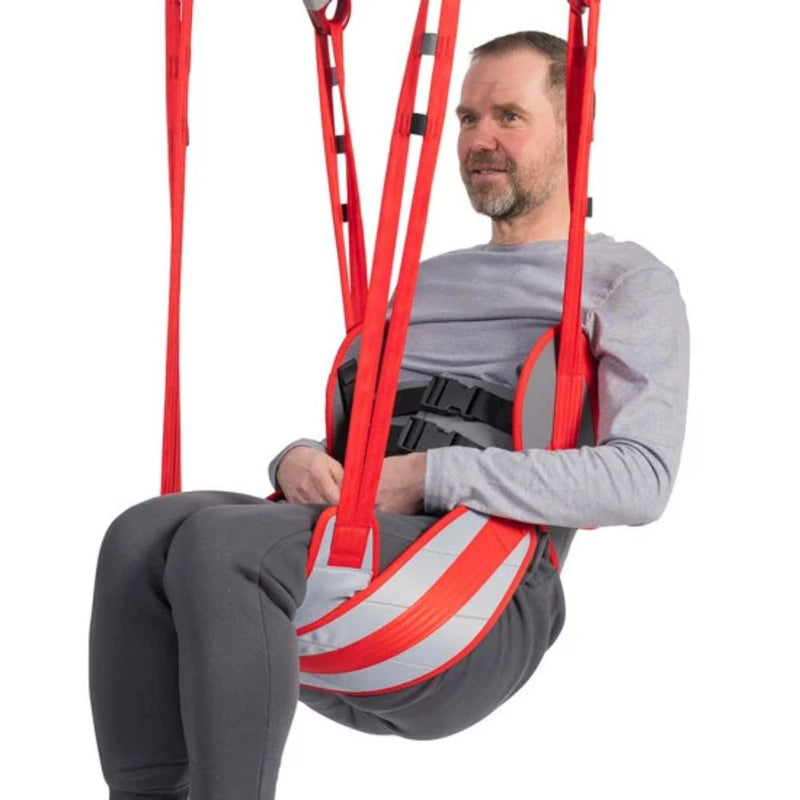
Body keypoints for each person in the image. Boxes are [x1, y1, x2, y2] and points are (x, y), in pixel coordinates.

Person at [89, 31, 690, 800]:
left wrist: (428, 477)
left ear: (576, 129)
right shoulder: (422, 281)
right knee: (140, 535)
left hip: (481, 590)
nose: (479, 139)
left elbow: (641, 479)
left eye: (508, 116)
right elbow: (367, 434)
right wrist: (297, 459)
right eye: (467, 118)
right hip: (368, 557)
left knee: (221, 546)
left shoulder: (624, 282)